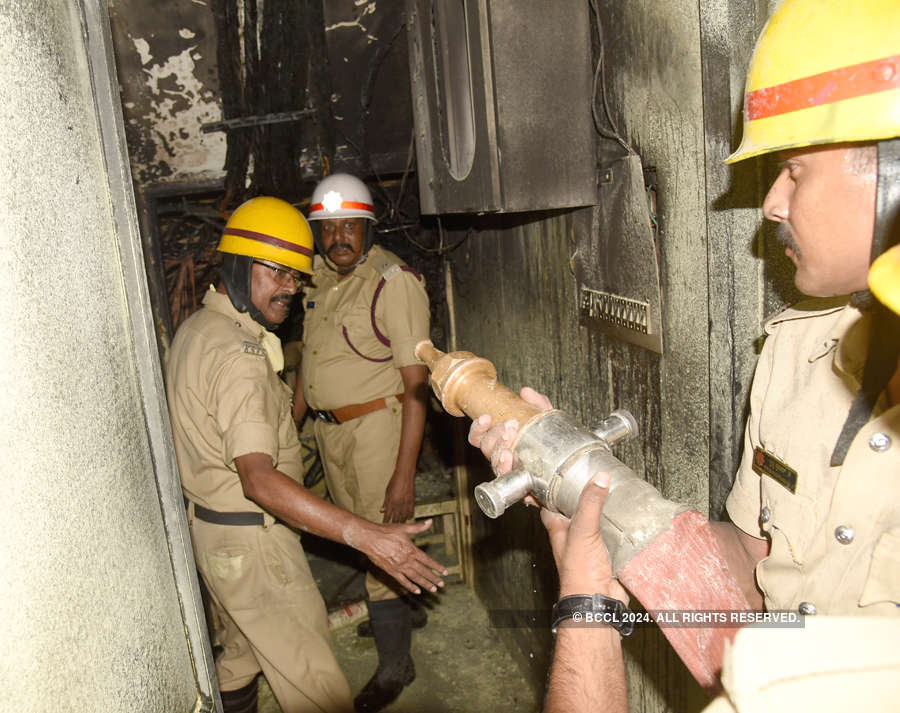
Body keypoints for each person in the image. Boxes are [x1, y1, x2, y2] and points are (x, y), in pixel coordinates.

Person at [470, 0, 899, 708]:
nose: (772, 204)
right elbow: (749, 575)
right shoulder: (793, 355)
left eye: (794, 169)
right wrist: (584, 478)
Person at [166, 196, 446, 713]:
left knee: (241, 654)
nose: (291, 288)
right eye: (277, 273)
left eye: (295, 276)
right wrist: (364, 534)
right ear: (238, 265)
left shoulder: (199, 329)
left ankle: (393, 662)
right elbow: (258, 479)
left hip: (217, 533)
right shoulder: (239, 357)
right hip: (255, 542)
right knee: (319, 688)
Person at [291, 173, 431, 712]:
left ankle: (398, 664)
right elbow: (311, 361)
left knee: (380, 537)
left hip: (378, 428)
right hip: (331, 432)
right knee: (359, 534)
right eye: (328, 228)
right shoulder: (318, 281)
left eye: (350, 225)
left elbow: (416, 385)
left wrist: (404, 473)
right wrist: (293, 422)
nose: (339, 238)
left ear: (368, 227)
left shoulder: (392, 282)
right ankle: (397, 610)